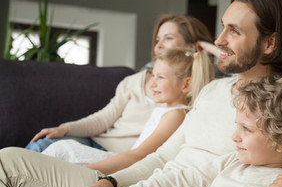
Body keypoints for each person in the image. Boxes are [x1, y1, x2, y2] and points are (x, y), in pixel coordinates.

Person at [0, 0, 282, 187]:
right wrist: (113, 184)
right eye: (222, 28)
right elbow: (162, 158)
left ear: (270, 43)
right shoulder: (212, 92)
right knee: (7, 160)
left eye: (234, 31)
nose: (219, 41)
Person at [58, 75, 282, 187]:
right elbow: (182, 180)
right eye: (237, 126)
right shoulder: (234, 160)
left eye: (246, 129)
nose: (235, 136)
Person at [25, 14, 214, 154]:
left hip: (118, 156)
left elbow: (234, 70)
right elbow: (104, 118)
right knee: (40, 146)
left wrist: (208, 48)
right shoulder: (134, 81)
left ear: (192, 46)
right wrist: (65, 128)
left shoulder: (197, 89)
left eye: (168, 38)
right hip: (94, 141)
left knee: (50, 155)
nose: (159, 46)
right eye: (157, 40)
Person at [40, 48, 214, 175]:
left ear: (186, 85)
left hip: (129, 168)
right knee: (59, 150)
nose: (152, 83)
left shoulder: (176, 115)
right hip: (125, 161)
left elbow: (139, 157)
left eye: (160, 77)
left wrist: (83, 172)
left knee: (61, 150)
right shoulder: (165, 110)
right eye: (153, 75)